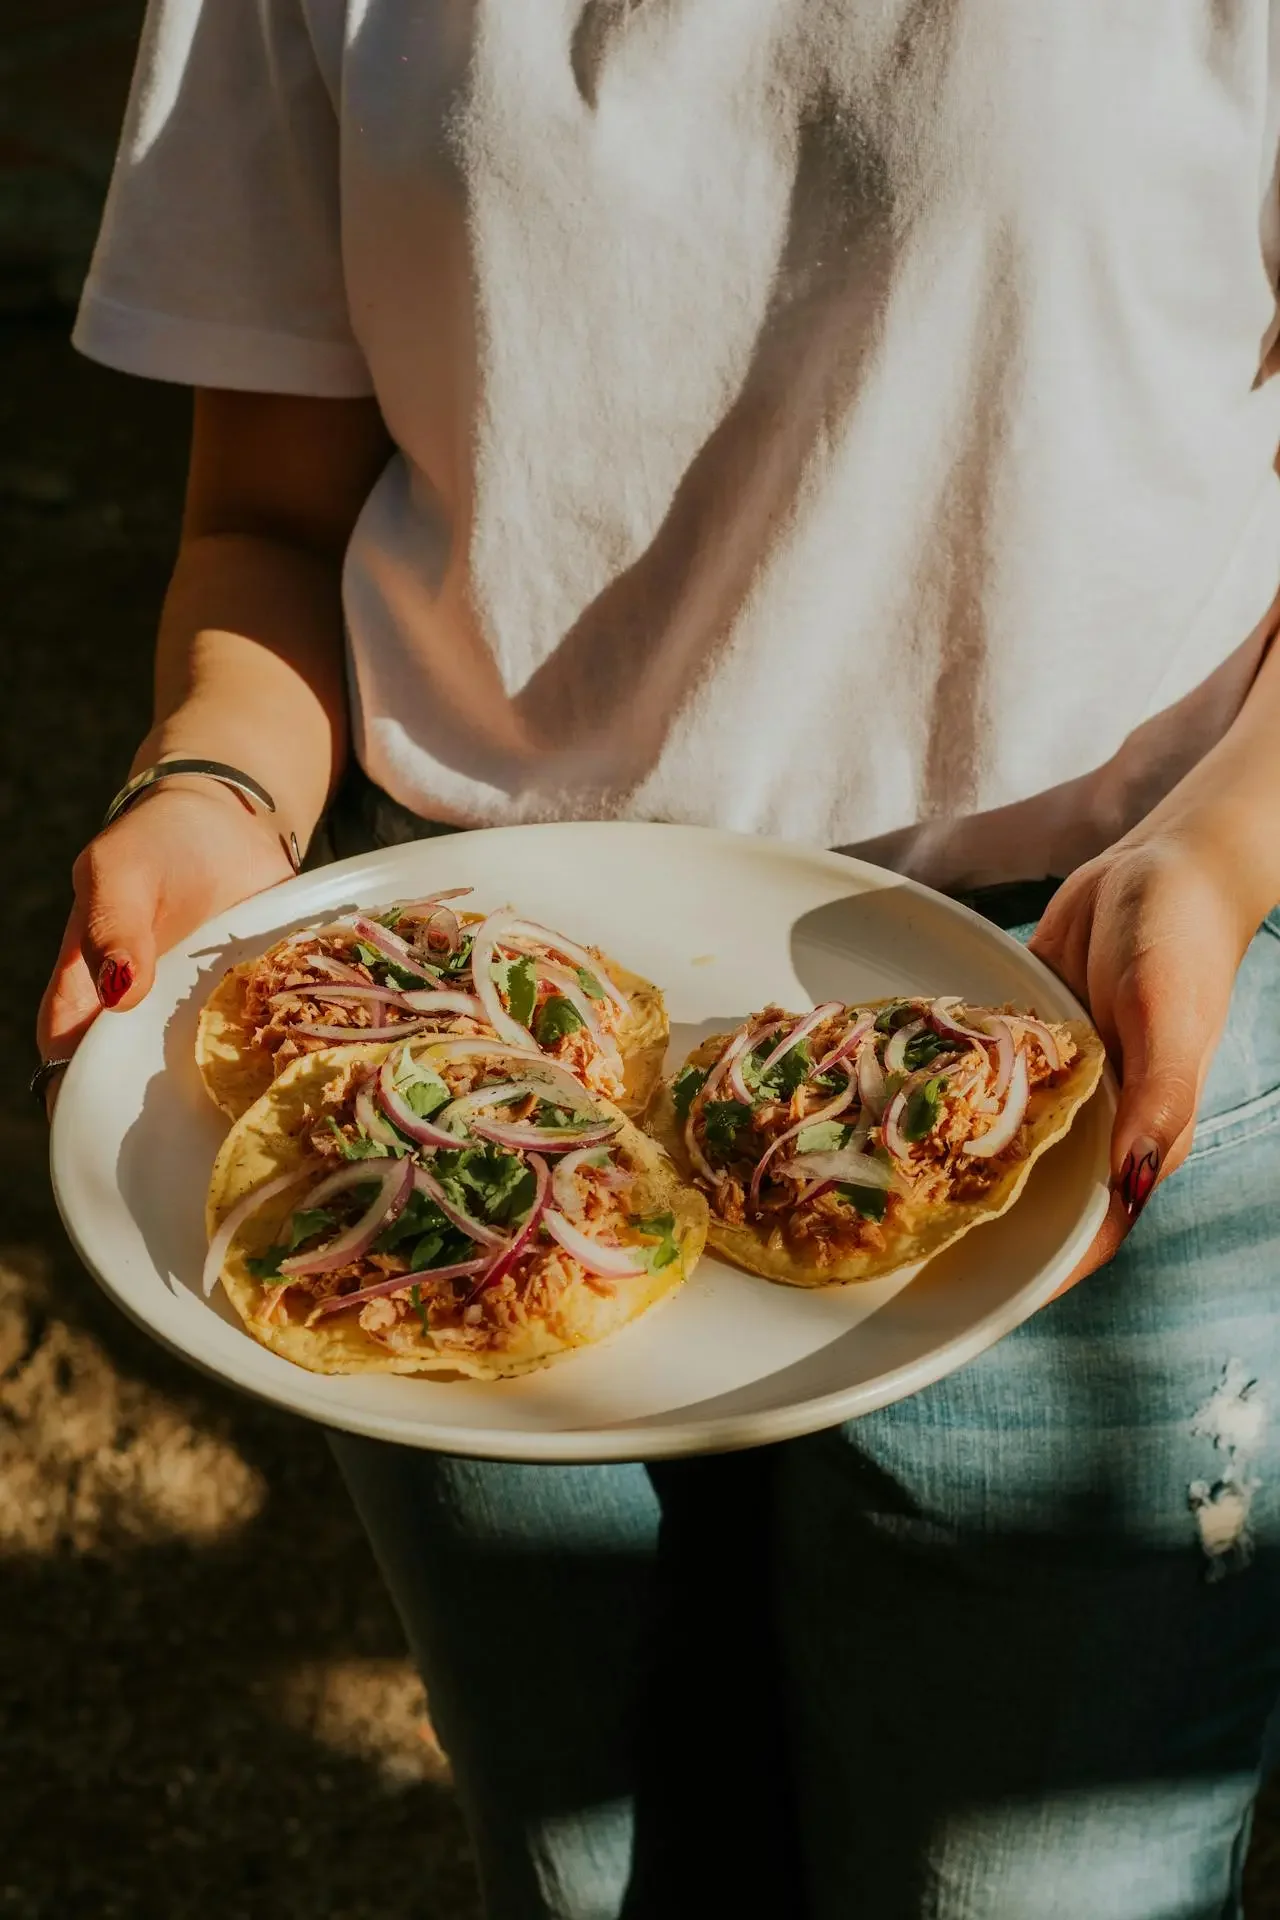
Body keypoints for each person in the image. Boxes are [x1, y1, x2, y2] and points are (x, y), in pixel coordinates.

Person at [35, 5, 1280, 1916]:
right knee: (608, 1878)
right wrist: (215, 783)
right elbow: (265, 521)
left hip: (1087, 1032)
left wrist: (1223, 846)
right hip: (434, 1076)